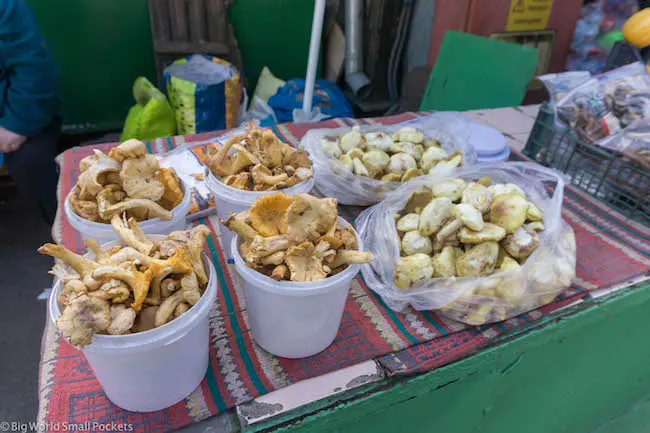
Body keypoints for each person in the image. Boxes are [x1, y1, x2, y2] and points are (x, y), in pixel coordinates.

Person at [0, 0, 60, 225]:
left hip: (12, 112)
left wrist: (16, 124)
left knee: (31, 161)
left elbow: (33, 68)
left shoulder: (6, 7)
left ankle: (68, 233)